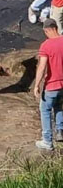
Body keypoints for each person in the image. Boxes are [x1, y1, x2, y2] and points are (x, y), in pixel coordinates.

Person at [34, 18, 63, 150]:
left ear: (46, 30)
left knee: (45, 109)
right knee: (58, 106)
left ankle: (47, 141)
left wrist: (36, 85)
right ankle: (60, 130)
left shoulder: (46, 45)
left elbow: (42, 67)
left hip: (52, 84)